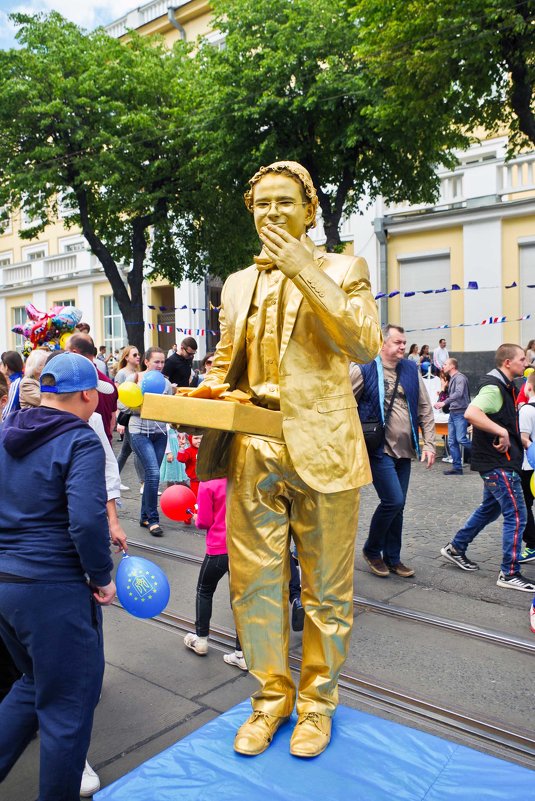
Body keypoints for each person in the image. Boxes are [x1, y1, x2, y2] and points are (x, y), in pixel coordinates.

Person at [194, 160, 381, 758]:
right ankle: (270, 699)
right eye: (261, 204)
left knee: (326, 591)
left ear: (309, 210)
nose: (271, 213)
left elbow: (362, 343)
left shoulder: (345, 267)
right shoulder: (237, 282)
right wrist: (208, 392)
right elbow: (227, 363)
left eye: (284, 202)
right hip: (255, 443)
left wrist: (304, 268)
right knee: (255, 586)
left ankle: (317, 706)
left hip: (324, 445)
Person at [0, 352, 116, 800]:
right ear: (87, 394)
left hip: (7, 585)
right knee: (68, 708)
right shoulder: (79, 439)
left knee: (31, 685)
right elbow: (86, 520)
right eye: (95, 397)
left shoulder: (8, 431)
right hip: (53, 589)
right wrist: (101, 576)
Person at [440, 343, 535, 592]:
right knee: (517, 515)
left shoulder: (505, 385)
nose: (526, 364)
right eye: (522, 359)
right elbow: (472, 413)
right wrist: (501, 430)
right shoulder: (494, 387)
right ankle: (509, 572)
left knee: (489, 509)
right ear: (507, 363)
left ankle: (456, 547)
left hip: (498, 462)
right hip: (497, 463)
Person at [351, 324, 436, 579]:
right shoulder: (363, 369)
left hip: (405, 451)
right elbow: (342, 403)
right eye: (398, 342)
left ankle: (393, 558)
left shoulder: (410, 369)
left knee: (398, 505)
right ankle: (372, 550)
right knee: (393, 500)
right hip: (378, 450)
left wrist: (430, 444)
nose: (403, 347)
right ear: (383, 343)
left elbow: (425, 408)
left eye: (403, 342)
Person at [183, 477, 247, 671]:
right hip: (242, 548)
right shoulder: (243, 477)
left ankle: (201, 639)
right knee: (240, 599)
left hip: (218, 550)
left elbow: (204, 521)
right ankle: (242, 653)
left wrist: (195, 517)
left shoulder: (208, 483)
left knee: (204, 591)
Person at [128, 347, 174, 537]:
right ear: (146, 361)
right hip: (139, 431)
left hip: (160, 432)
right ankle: (153, 520)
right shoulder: (135, 379)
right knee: (154, 473)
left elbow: (170, 408)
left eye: (163, 362)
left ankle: (144, 516)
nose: (160, 365)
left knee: (150, 476)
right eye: (157, 361)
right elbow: (124, 405)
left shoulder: (166, 384)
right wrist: (145, 408)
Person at [66, 333, 118, 444]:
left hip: (80, 449)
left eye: (66, 352)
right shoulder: (109, 384)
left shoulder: (69, 384)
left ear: (74, 353)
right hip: (104, 446)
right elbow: (112, 422)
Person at [435, 358, 471, 475]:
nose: (443, 366)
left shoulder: (460, 378)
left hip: (460, 413)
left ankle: (484, 452)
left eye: (445, 364)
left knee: (461, 439)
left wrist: (444, 402)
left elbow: (459, 393)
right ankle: (457, 467)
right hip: (453, 412)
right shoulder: (452, 379)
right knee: (452, 441)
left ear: (452, 366)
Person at [115, 345, 144, 491]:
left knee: (126, 450)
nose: (138, 357)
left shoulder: (138, 373)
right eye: (134, 355)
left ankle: (114, 479)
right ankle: (143, 483)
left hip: (134, 414)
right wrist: (118, 420)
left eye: (138, 354)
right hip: (127, 416)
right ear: (126, 357)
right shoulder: (122, 373)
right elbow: (117, 396)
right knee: (136, 449)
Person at [518, 371, 535, 564]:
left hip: (528, 465)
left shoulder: (526, 410)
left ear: (528, 387)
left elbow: (524, 438)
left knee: (525, 505)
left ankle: (532, 544)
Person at [1, 351, 24, 421]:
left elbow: (8, 411)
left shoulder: (15, 383)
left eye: (2, 364)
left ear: (6, 367)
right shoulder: (19, 379)